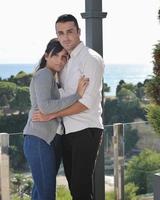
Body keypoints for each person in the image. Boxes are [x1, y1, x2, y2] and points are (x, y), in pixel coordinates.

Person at [33, 14, 105, 200]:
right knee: (74, 188)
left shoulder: (90, 58)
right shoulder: (65, 62)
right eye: (61, 33)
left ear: (79, 32)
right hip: (68, 132)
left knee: (81, 189)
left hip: (86, 129)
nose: (65, 37)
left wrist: (51, 115)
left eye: (70, 32)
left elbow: (85, 103)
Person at [23, 38, 89, 200]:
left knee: (40, 193)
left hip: (45, 140)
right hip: (39, 139)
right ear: (46, 56)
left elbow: (49, 108)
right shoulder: (44, 74)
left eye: (64, 57)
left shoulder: (52, 77)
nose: (60, 61)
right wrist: (77, 96)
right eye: (56, 56)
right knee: (46, 194)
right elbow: (45, 107)